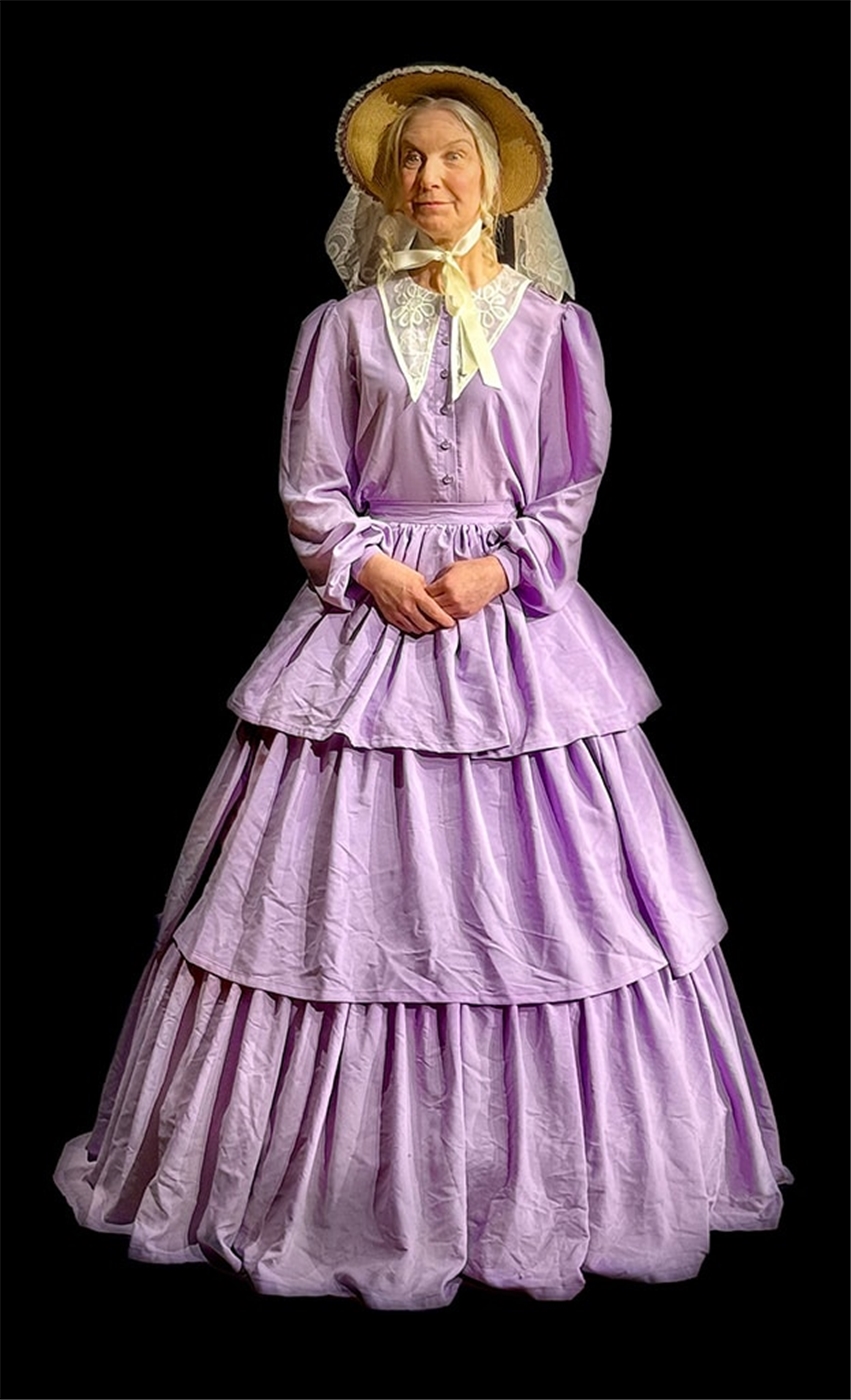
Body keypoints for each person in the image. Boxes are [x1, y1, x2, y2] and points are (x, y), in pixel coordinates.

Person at [54, 63, 791, 1310]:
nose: (428, 175)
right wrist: (366, 566)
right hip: (366, 628)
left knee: (551, 912)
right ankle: (325, 1177)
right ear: (383, 183)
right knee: (325, 908)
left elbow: (568, 484)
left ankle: (540, 1174)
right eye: (408, 157)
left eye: (451, 156)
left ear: (495, 182)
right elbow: (310, 486)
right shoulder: (338, 329)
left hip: (512, 635)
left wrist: (499, 567)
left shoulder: (554, 327)